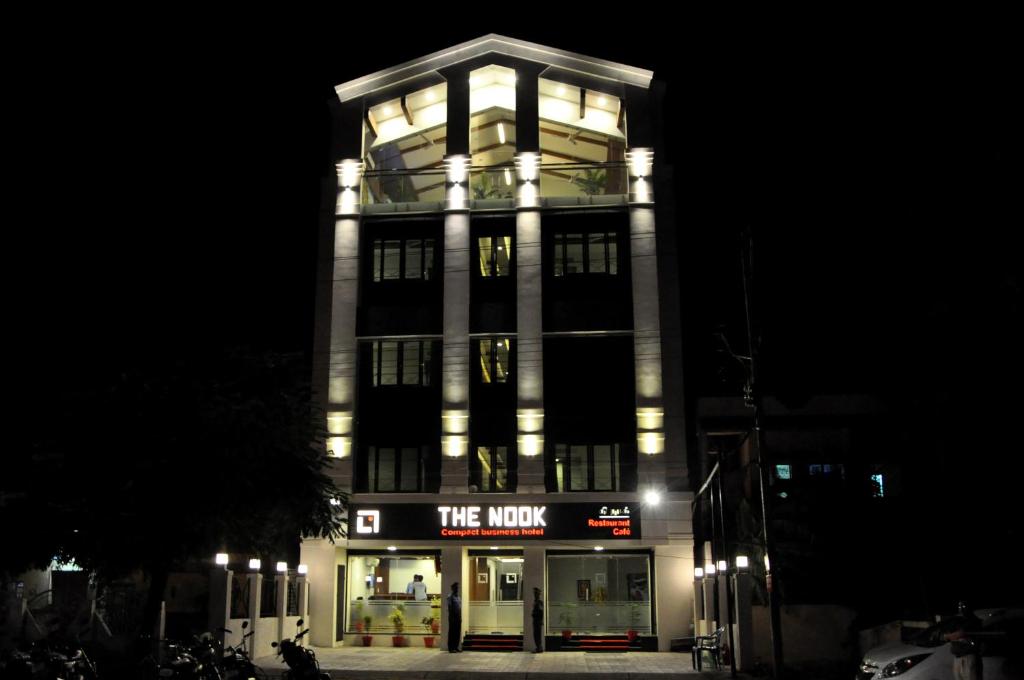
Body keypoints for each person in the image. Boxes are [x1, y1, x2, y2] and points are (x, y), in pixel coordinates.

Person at [944, 603, 983, 680]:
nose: (961, 608)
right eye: (959, 606)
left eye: (963, 606)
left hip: (968, 657)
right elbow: (946, 635)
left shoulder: (973, 620)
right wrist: (950, 636)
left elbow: (960, 633)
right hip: (958, 658)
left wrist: (949, 636)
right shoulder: (958, 620)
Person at [447, 582, 462, 652]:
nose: (457, 589)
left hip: (458, 617)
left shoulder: (458, 597)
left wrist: (460, 617)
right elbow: (450, 607)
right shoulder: (450, 597)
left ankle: (456, 647)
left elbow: (459, 608)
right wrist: (452, 617)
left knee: (457, 632)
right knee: (452, 633)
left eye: (457, 588)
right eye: (456, 587)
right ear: (452, 588)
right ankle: (451, 648)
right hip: (453, 617)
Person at [531, 587, 544, 653]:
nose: (534, 594)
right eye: (534, 593)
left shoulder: (539, 602)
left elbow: (541, 612)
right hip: (535, 620)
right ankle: (538, 647)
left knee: (537, 635)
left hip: (537, 621)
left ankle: (539, 648)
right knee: (535, 635)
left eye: (536, 593)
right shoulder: (535, 602)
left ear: (538, 594)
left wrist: (541, 620)